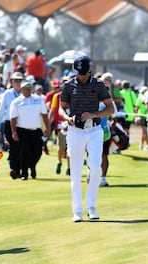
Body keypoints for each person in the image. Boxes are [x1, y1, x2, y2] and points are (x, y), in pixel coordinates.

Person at [58, 55, 114, 222]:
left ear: (89, 69)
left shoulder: (98, 84)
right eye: (79, 72)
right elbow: (61, 109)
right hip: (75, 131)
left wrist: (93, 114)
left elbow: (110, 108)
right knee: (75, 172)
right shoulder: (68, 85)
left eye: (84, 72)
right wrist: (67, 118)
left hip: (94, 130)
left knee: (95, 166)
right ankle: (77, 210)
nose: (81, 75)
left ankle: (91, 206)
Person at [10, 80, 50, 180]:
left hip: (36, 130)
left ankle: (32, 165)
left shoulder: (38, 99)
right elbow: (13, 118)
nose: (28, 90)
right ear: (22, 90)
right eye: (26, 89)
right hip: (22, 131)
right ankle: (24, 173)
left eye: (29, 89)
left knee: (37, 152)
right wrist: (14, 132)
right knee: (24, 152)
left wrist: (48, 128)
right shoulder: (17, 102)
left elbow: (44, 115)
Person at [0, 72, 24, 179]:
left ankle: (18, 170)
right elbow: (1, 111)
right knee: (13, 146)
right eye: (16, 81)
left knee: (21, 147)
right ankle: (13, 168)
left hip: (22, 124)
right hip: (9, 123)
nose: (18, 83)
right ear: (11, 82)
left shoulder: (24, 93)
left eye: (20, 80)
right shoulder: (7, 94)